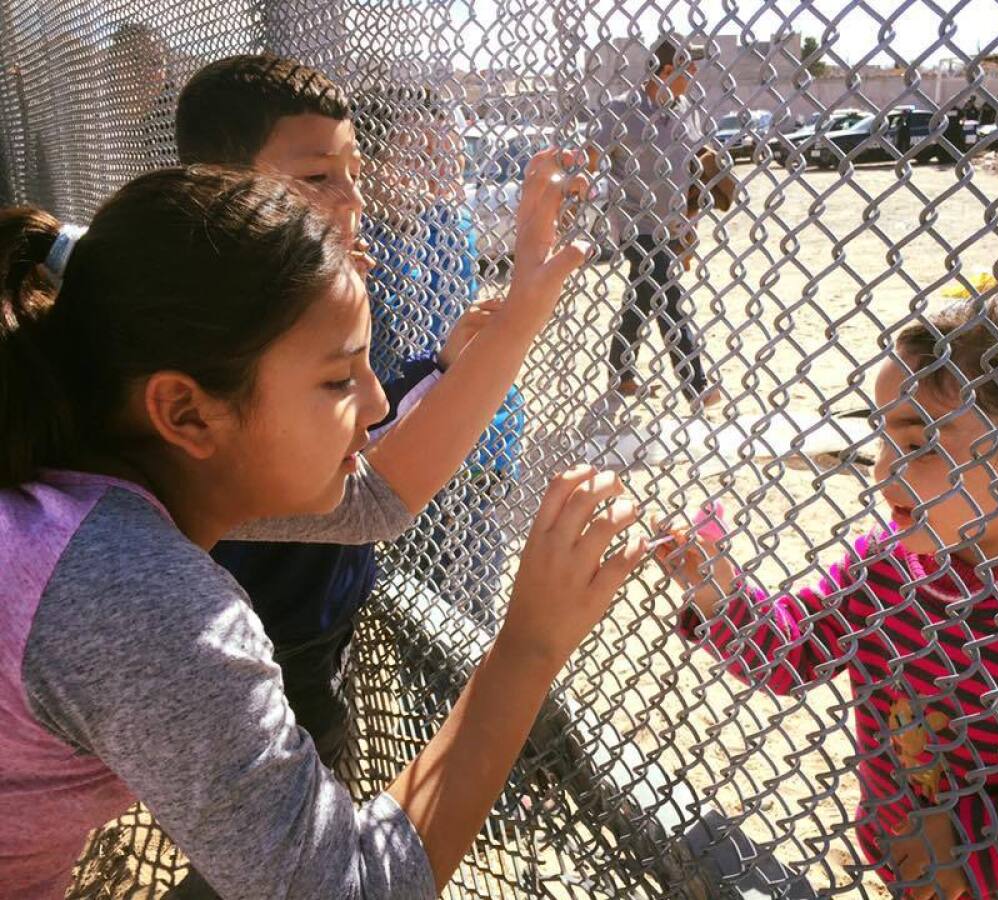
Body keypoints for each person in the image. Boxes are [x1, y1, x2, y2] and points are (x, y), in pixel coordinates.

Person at [0, 161, 644, 898]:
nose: (376, 405)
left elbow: (380, 497)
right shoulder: (132, 598)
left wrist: (524, 309)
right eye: (340, 379)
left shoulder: (89, 454)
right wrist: (531, 643)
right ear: (185, 411)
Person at [655, 295, 998, 897]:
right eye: (884, 439)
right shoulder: (885, 566)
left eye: (919, 445)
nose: (883, 471)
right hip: (910, 870)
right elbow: (793, 654)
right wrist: (718, 591)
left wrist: (976, 846)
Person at [173, 55, 502, 793]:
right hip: (266, 626)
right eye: (318, 177)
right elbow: (368, 494)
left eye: (352, 169)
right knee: (299, 806)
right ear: (224, 191)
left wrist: (442, 365)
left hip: (310, 609)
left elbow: (361, 419)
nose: (349, 197)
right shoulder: (229, 333)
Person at [358, 82, 523, 629]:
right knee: (417, 586)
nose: (439, 172)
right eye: (417, 156)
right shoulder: (355, 247)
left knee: (475, 581)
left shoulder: (450, 227)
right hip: (398, 434)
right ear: (371, 163)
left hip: (481, 434)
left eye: (447, 154)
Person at [588, 33, 719, 412]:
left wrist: (690, 223)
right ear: (665, 70)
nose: (693, 74)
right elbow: (591, 157)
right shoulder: (619, 110)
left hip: (671, 224)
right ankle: (696, 384)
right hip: (634, 223)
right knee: (668, 296)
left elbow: (694, 169)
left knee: (642, 298)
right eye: (687, 68)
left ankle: (620, 371)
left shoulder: (686, 110)